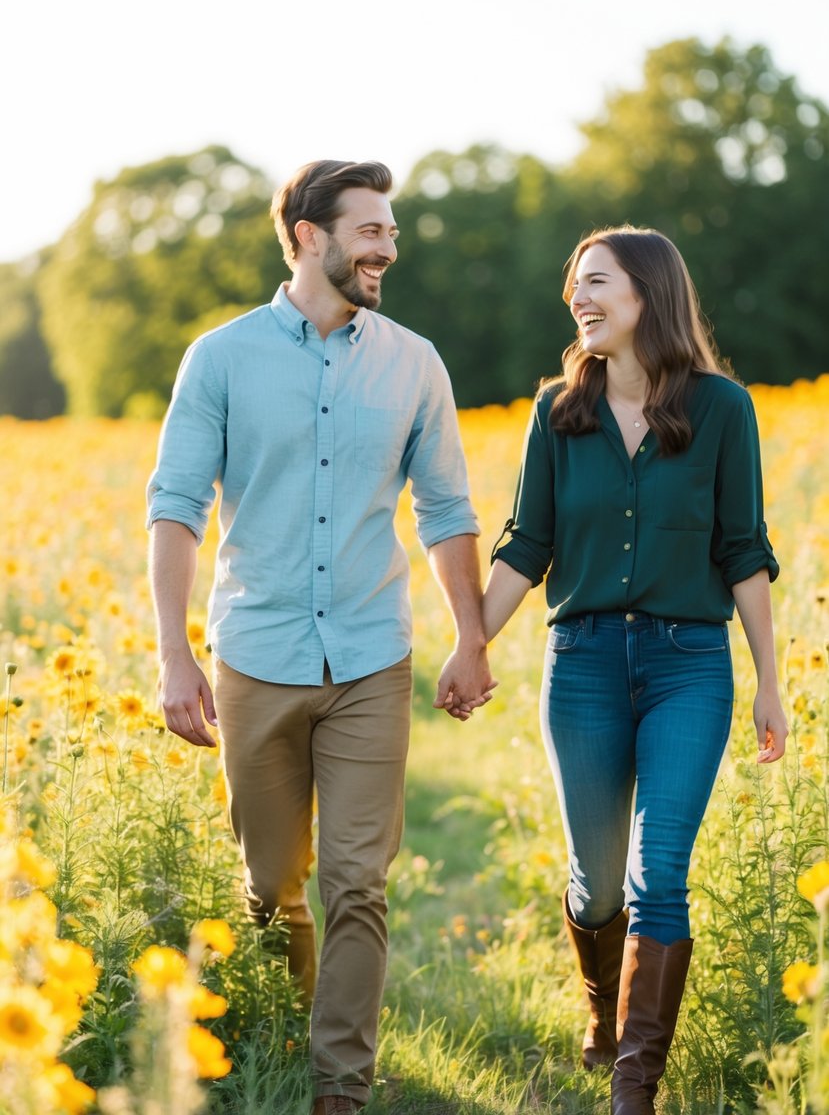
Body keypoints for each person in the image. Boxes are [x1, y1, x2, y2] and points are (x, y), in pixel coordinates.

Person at [146, 159, 494, 1115]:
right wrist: (175, 655)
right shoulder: (219, 357)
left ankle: (339, 1087)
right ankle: (285, 1022)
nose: (386, 247)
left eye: (389, 231)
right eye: (368, 230)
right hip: (253, 652)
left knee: (356, 881)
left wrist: (471, 637)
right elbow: (174, 508)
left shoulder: (413, 361)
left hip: (372, 655)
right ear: (307, 235)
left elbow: (446, 508)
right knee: (272, 888)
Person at [473, 226, 788, 1114]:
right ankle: (601, 1013)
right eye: (574, 284)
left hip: (689, 664)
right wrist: (472, 646)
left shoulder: (723, 409)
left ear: (647, 293)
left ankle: (632, 1084)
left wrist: (770, 680)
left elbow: (744, 549)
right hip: (581, 668)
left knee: (660, 870)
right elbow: (527, 542)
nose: (578, 296)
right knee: (597, 878)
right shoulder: (555, 411)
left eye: (597, 281)